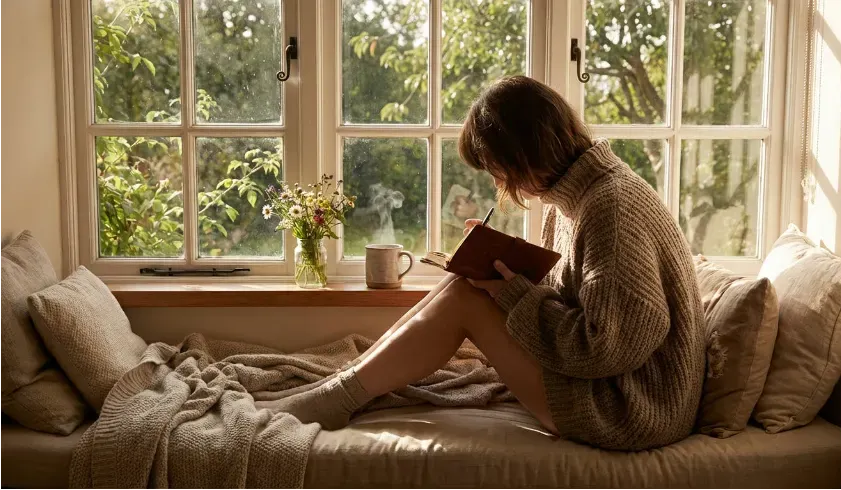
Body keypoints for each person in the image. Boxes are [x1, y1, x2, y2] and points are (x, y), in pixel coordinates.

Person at [281, 76, 706, 451]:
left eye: (495, 167)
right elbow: (578, 296)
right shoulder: (577, 197)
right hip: (611, 389)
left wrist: (514, 292)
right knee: (463, 282)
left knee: (466, 299)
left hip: (632, 410)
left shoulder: (609, 208)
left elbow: (608, 347)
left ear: (524, 153)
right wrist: (507, 267)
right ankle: (344, 386)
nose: (496, 181)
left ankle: (338, 397)